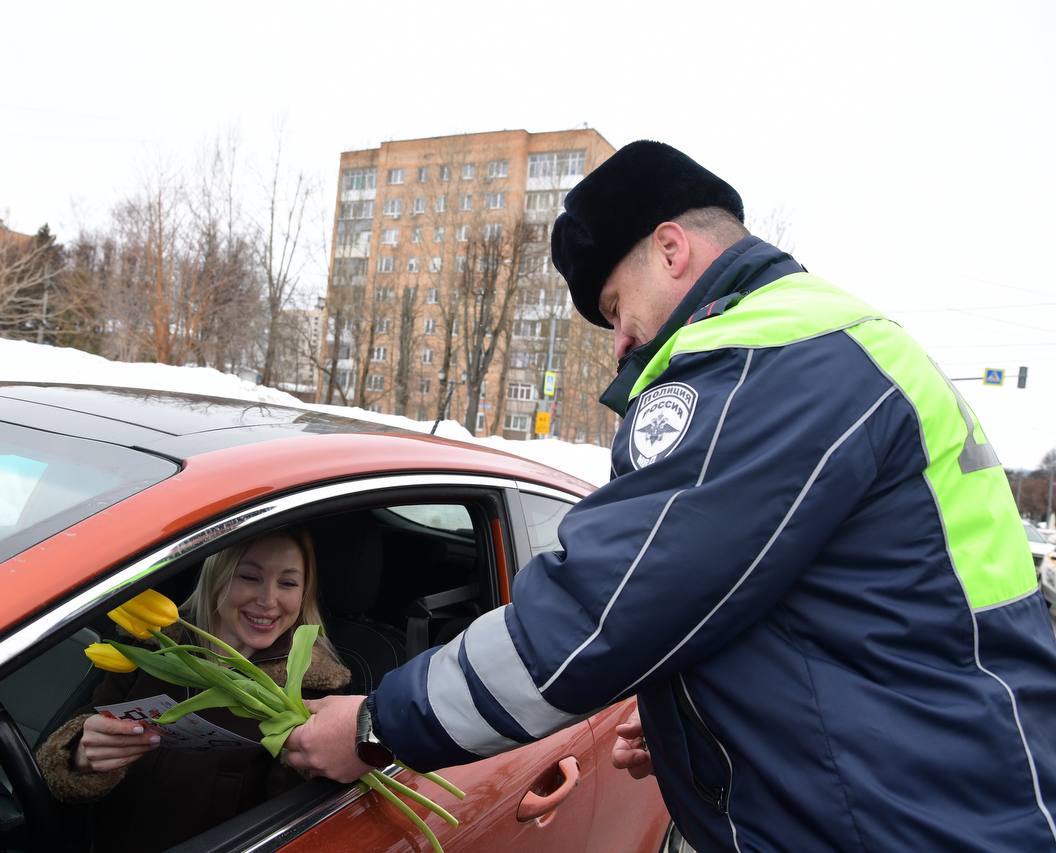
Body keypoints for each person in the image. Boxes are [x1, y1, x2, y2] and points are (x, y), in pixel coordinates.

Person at [283, 141, 1056, 851]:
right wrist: (709, 720)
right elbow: (837, 609)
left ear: (672, 249)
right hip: (931, 798)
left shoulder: (768, 365)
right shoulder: (831, 346)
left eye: (615, 307)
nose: (620, 340)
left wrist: (376, 724)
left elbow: (593, 617)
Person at [36, 527, 350, 852]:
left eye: (287, 583)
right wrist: (81, 755)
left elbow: (292, 825)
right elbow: (85, 727)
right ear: (216, 578)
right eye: (249, 577)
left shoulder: (310, 696)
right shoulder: (150, 647)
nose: (268, 601)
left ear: (304, 594)